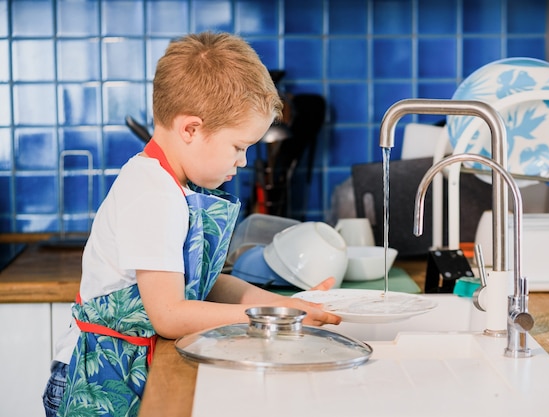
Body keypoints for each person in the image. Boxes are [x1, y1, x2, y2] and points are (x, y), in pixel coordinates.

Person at [42, 31, 341, 417]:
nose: (244, 162)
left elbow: (206, 283)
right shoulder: (152, 192)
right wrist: (271, 319)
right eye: (239, 147)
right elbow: (169, 314)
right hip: (94, 382)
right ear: (190, 129)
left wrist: (288, 305)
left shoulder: (175, 186)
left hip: (128, 370)